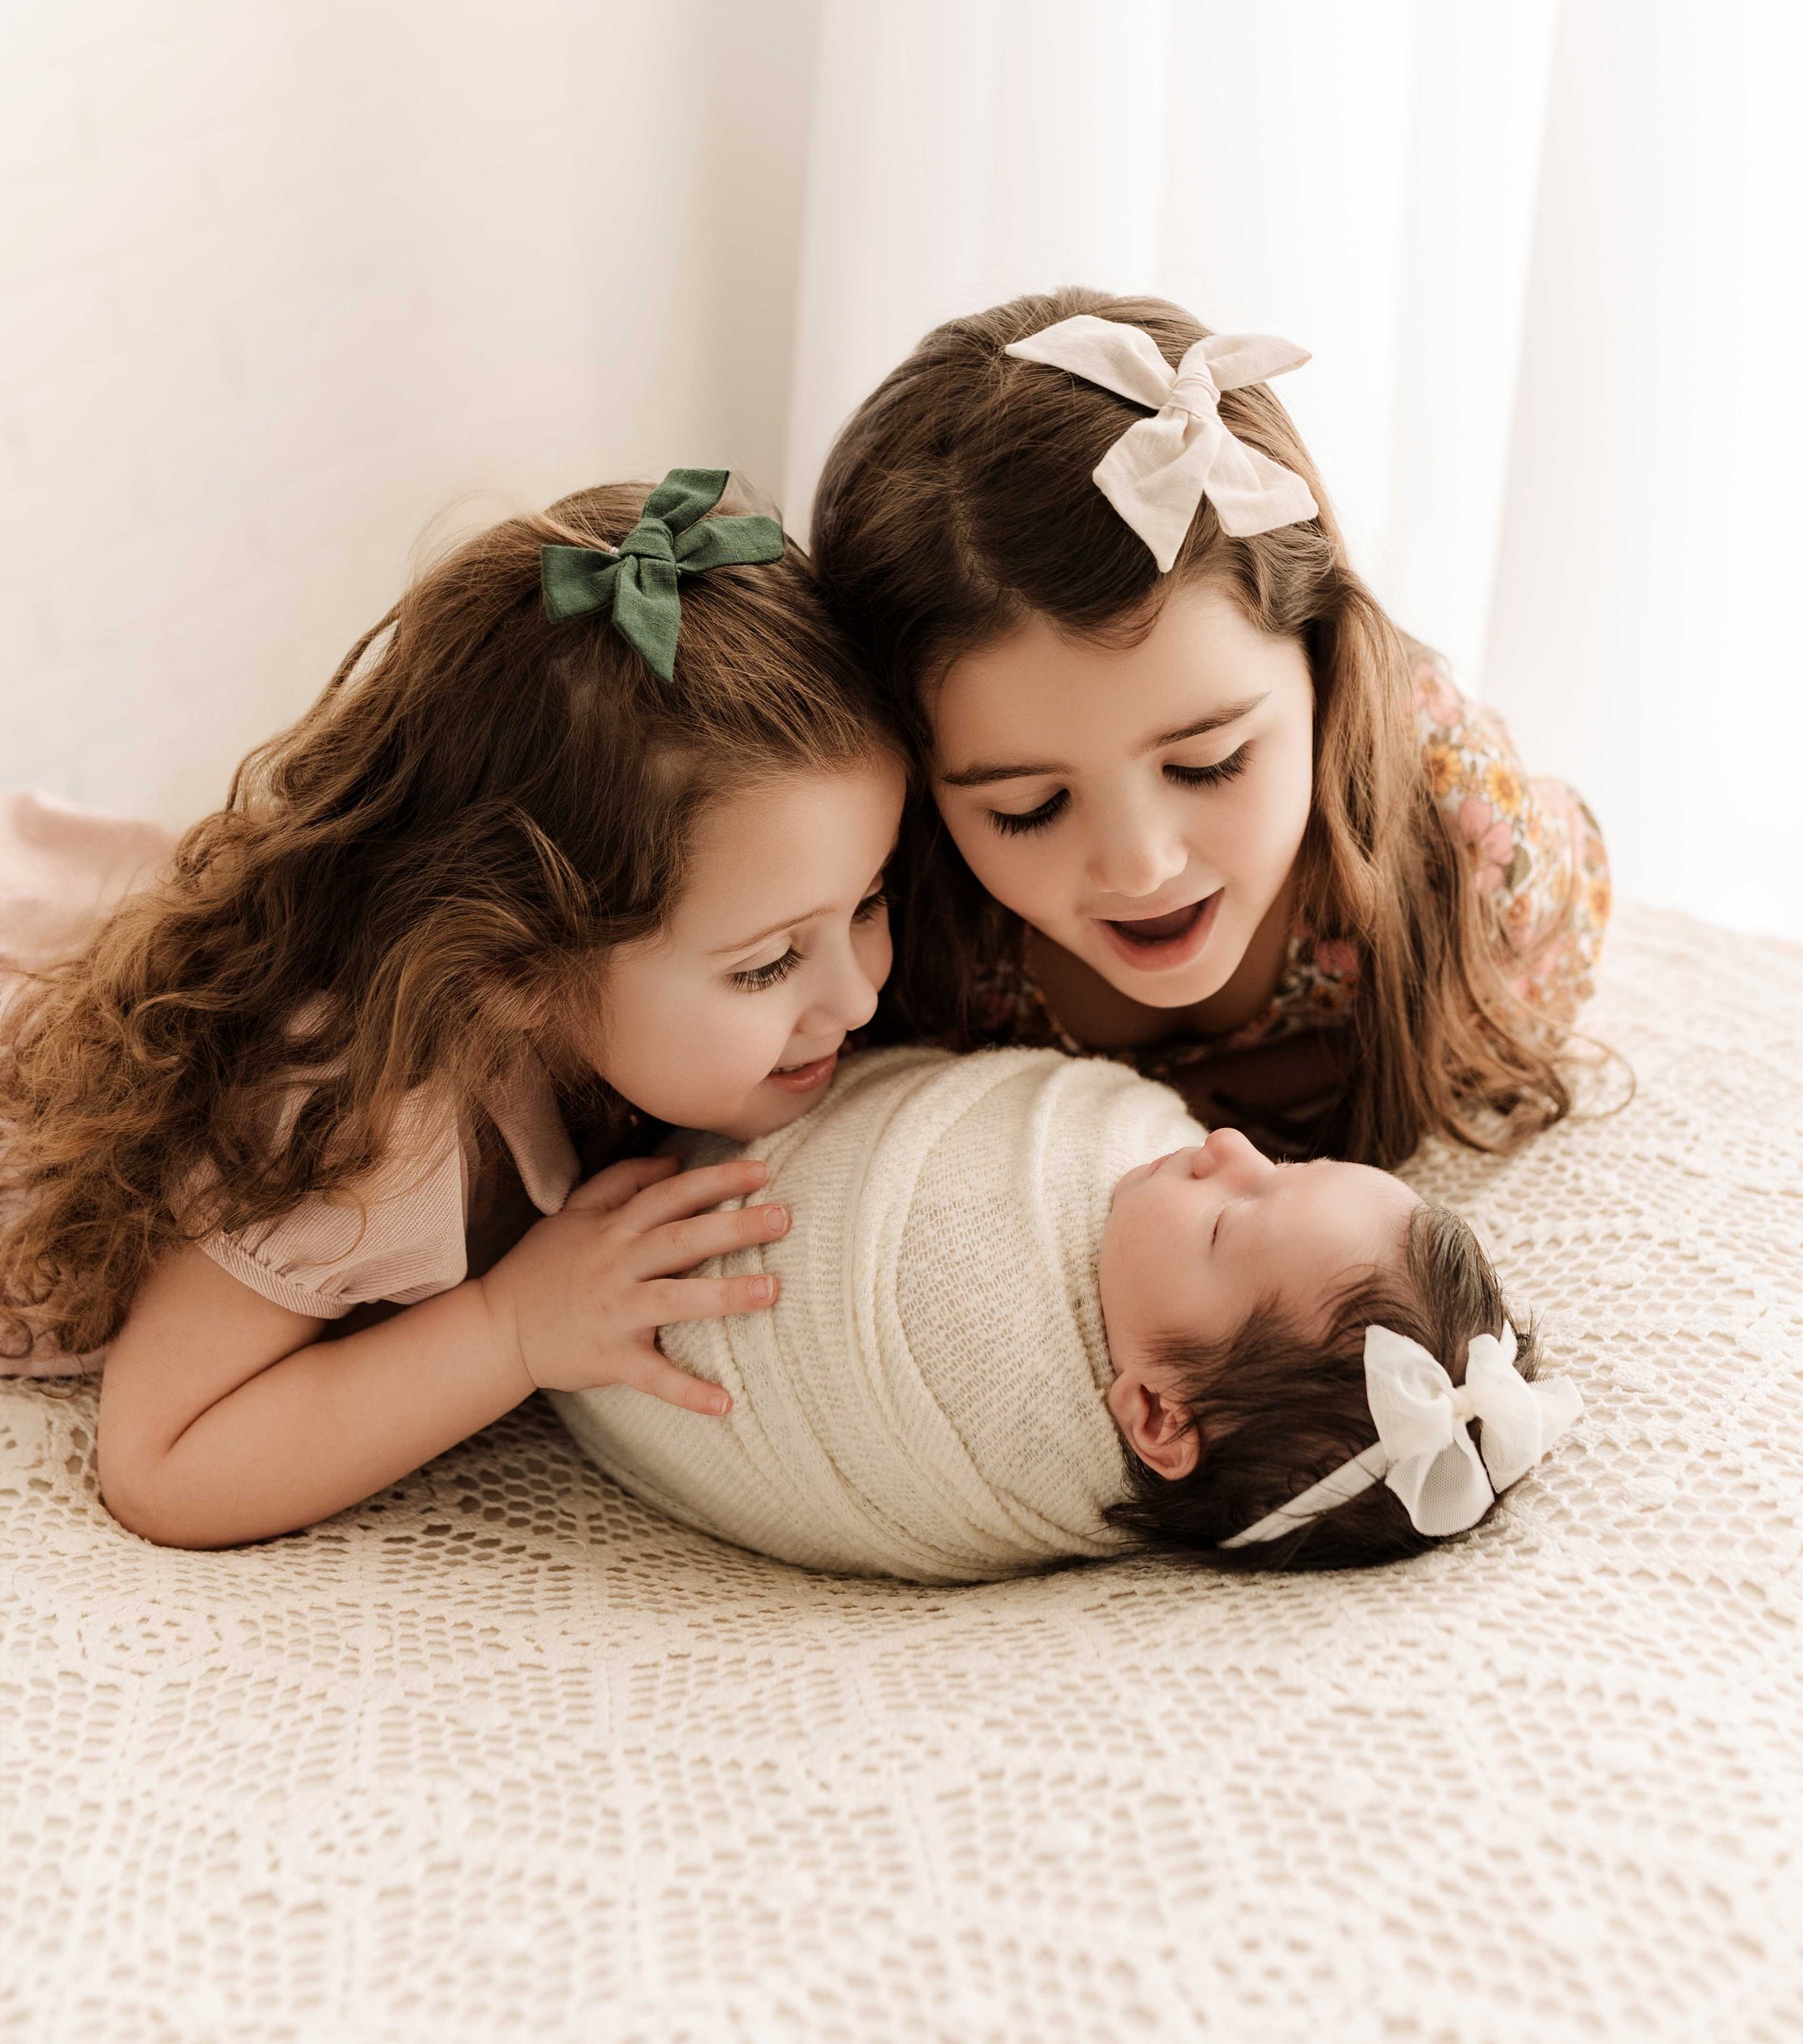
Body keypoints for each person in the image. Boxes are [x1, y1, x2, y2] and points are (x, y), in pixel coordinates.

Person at [0, 471, 904, 1550]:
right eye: (768, 964)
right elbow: (164, 1464)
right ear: (515, 971)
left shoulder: (618, 979)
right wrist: (510, 1328)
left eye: (871, 900)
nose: (859, 993)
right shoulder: (371, 1120)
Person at [810, 291, 1612, 1168]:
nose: (1140, 865)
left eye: (1208, 763)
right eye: (1029, 807)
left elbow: (1527, 979)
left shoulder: (1459, 842)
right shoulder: (883, 915)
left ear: (1323, 664)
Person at [552, 1042, 1582, 1582]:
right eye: (1286, 1163)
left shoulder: (979, 1380)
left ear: (1157, 1416)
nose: (1226, 1146)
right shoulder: (1144, 1186)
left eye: (1226, 1222)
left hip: (598, 1267)